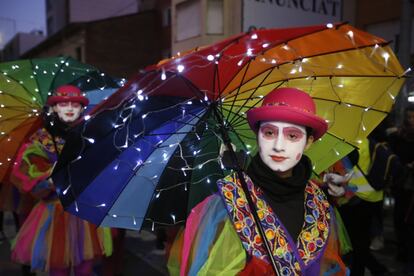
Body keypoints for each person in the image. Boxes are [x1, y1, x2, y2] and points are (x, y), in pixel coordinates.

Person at [167, 87, 348, 275]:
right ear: (258, 135)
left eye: (292, 136)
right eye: (269, 133)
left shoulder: (318, 201)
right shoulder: (228, 203)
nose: (278, 146)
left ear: (309, 142)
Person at [10, 85, 112, 276]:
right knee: (58, 269)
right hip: (53, 213)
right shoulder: (41, 139)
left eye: (75, 104)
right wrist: (50, 177)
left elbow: (104, 171)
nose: (70, 108)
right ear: (55, 108)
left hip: (84, 213)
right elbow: (24, 173)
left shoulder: (89, 136)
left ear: (82, 109)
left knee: (85, 269)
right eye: (64, 104)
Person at [387, 104, 414, 273]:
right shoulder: (397, 137)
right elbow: (393, 158)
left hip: (412, 185)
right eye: (410, 117)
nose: (412, 121)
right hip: (401, 183)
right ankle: (402, 249)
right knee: (400, 217)